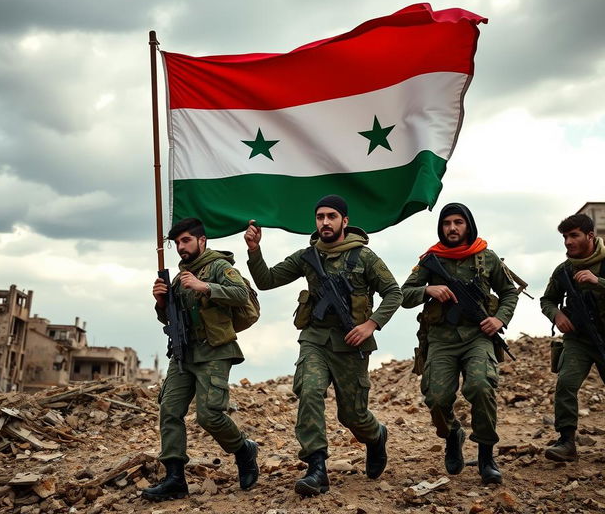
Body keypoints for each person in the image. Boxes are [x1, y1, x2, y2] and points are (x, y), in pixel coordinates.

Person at [244, 194, 402, 496]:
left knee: (352, 415)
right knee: (310, 390)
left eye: (331, 216)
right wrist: (254, 250)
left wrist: (370, 325)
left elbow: (394, 292)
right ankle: (316, 467)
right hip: (315, 340)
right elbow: (266, 280)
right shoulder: (307, 256)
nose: (325, 222)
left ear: (345, 221)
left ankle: (376, 436)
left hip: (351, 344)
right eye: (320, 217)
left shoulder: (364, 257)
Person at [142, 217, 259, 502]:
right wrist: (161, 302)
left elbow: (241, 294)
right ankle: (174, 477)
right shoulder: (180, 277)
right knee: (169, 410)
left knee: (209, 415)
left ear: (201, 240)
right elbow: (170, 318)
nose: (181, 247)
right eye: (178, 242)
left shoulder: (219, 267)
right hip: (184, 352)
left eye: (186, 240)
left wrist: (204, 286)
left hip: (215, 350)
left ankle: (243, 450)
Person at [401, 203, 518, 485]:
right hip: (441, 339)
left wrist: (499, 320)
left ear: (468, 225)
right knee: (437, 398)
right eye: (447, 223)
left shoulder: (486, 257)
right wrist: (428, 289)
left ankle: (486, 455)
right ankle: (453, 434)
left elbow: (509, 293)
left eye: (458, 222)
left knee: (480, 386)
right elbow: (403, 294)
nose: (452, 228)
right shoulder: (431, 258)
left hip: (478, 337)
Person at [540, 213, 605, 462]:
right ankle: (567, 442)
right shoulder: (564, 270)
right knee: (566, 384)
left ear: (590, 236)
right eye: (565, 237)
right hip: (579, 339)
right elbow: (547, 300)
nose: (567, 241)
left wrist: (597, 281)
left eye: (574, 235)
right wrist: (556, 315)